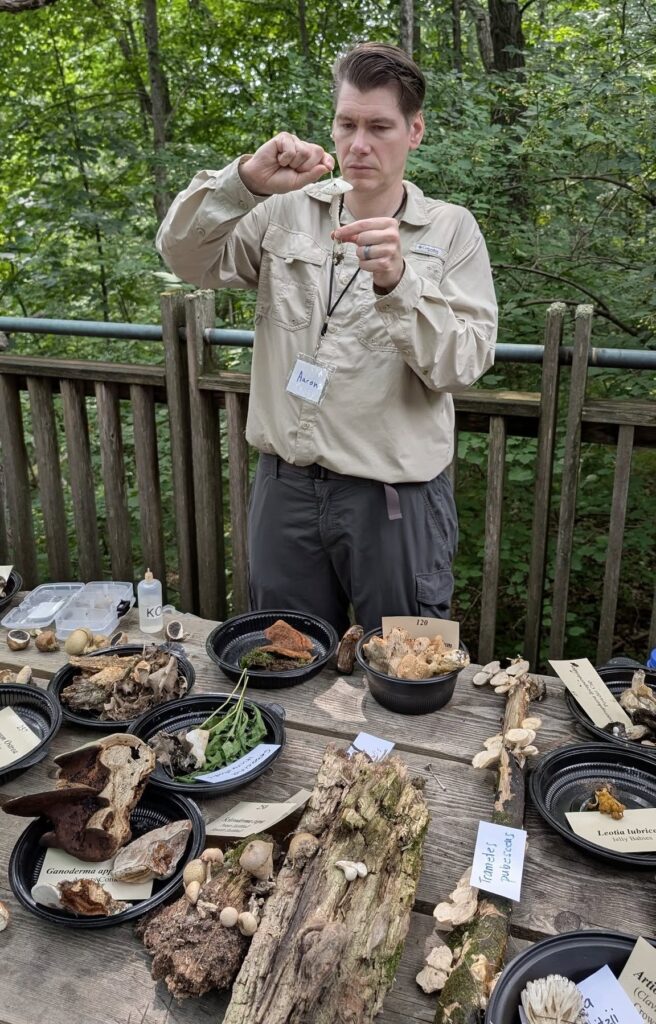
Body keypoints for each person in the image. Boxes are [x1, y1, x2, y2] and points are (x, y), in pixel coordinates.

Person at [156, 42, 497, 636]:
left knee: (405, 668)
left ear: (414, 131)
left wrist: (399, 282)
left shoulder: (451, 230)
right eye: (347, 123)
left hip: (393, 500)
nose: (359, 143)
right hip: (284, 487)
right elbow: (183, 254)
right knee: (281, 657)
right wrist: (243, 184)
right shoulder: (282, 211)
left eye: (380, 126)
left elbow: (464, 364)